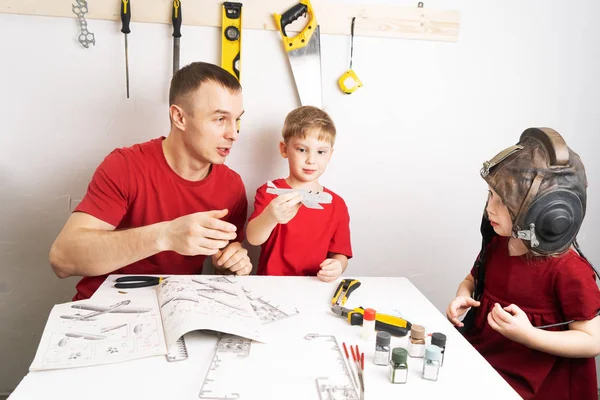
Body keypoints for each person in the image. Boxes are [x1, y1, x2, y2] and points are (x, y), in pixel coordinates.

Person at [49, 62, 252, 300]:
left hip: (177, 309)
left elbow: (220, 265)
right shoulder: (124, 166)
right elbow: (62, 259)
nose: (233, 134)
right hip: (102, 311)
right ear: (179, 117)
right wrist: (165, 235)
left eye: (236, 120)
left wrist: (230, 265)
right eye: (220, 119)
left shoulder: (232, 187)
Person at [446, 127, 600, 399]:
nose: (490, 208)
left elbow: (592, 341)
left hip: (540, 385)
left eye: (502, 201)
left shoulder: (569, 270)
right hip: (488, 365)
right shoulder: (498, 244)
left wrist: (528, 335)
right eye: (490, 195)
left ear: (546, 212)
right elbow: (473, 280)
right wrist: (464, 295)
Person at [246, 106, 352, 282]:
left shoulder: (337, 204)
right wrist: (270, 217)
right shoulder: (269, 192)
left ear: (330, 155)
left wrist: (337, 266)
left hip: (314, 286)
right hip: (271, 285)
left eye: (320, 152)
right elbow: (253, 238)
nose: (311, 160)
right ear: (284, 149)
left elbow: (340, 253)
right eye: (302, 150)